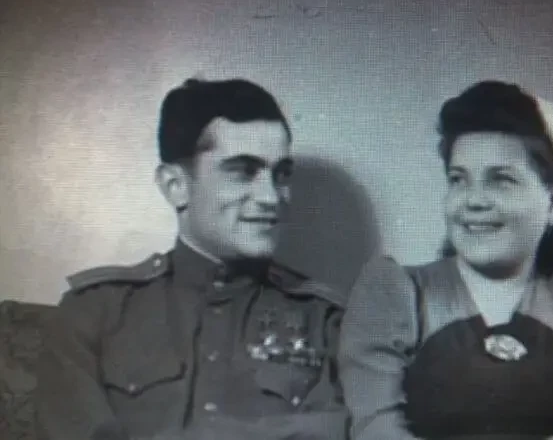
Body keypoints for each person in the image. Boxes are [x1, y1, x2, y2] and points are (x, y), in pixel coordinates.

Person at [338, 81, 553, 440]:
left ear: (552, 204)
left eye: (501, 180)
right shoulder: (394, 291)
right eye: (458, 179)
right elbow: (376, 428)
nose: (473, 200)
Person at [35, 78, 347, 440]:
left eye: (281, 175)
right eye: (243, 171)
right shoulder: (92, 312)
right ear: (176, 186)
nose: (271, 197)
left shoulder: (324, 322)